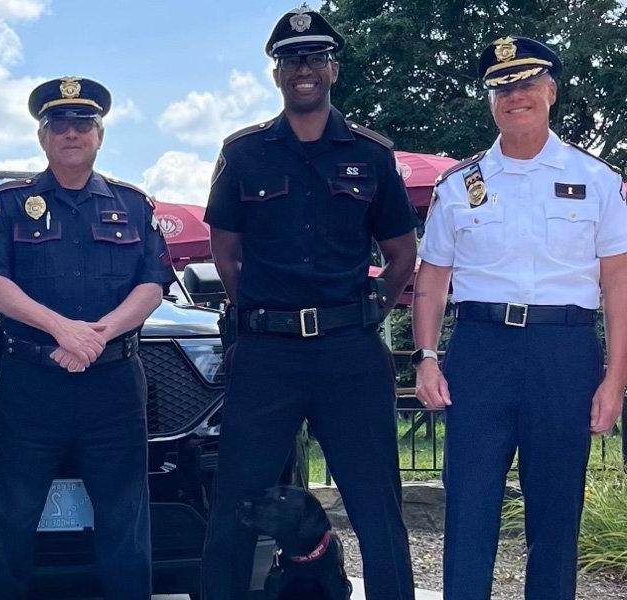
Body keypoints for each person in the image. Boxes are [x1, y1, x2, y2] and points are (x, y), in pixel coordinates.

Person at [199, 7, 418, 600]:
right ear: (277, 73)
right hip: (267, 355)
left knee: (377, 511)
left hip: (350, 352)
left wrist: (372, 306)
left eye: (315, 58)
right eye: (291, 59)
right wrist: (261, 317)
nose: (303, 69)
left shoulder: (372, 155)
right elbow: (226, 252)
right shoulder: (244, 153)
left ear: (332, 69)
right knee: (235, 510)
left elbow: (402, 253)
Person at [413, 36, 627, 599]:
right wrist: (427, 358)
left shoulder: (600, 181)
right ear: (490, 101)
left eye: (527, 82)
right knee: (469, 504)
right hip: (481, 350)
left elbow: (617, 284)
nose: (515, 96)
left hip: (564, 350)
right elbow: (432, 280)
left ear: (551, 91)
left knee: (557, 511)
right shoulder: (458, 186)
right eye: (502, 87)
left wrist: (615, 376)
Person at [0, 76, 175, 599]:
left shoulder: (132, 204)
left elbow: (153, 284)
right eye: (59, 123)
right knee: (10, 519)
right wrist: (62, 328)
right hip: (31, 384)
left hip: (114, 387)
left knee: (125, 524)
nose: (71, 132)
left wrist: (99, 336)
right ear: (43, 137)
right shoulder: (11, 203)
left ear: (99, 135)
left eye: (83, 122)